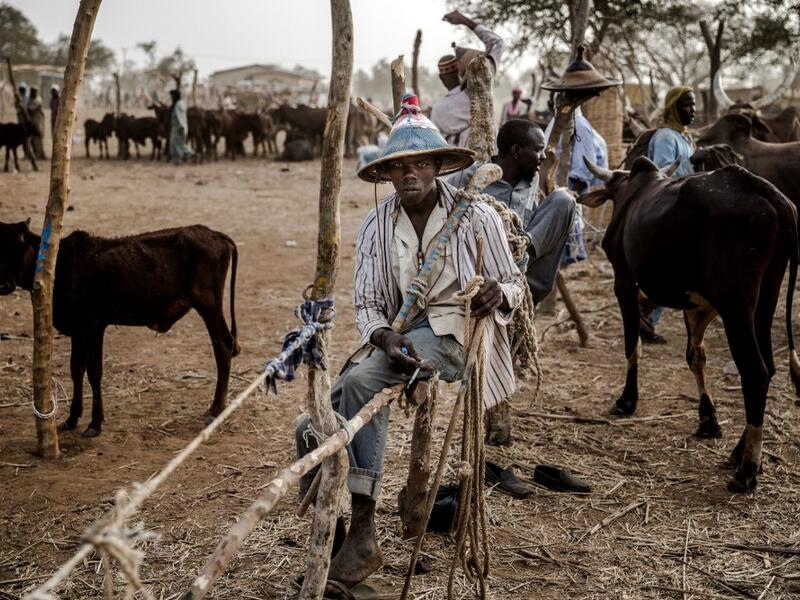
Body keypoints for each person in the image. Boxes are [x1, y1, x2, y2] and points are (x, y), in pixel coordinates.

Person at [295, 94, 525, 588]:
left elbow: (514, 284)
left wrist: (493, 291)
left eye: (421, 162)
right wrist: (383, 334)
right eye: (399, 166)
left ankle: (361, 528)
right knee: (316, 419)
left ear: (439, 165)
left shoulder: (476, 215)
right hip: (404, 332)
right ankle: (336, 532)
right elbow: (367, 304)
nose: (410, 174)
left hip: (457, 330)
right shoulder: (378, 225)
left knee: (357, 385)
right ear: (389, 174)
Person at [449, 118, 576, 305]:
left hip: (523, 277)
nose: (543, 156)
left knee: (564, 200)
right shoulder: (469, 179)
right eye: (538, 149)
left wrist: (519, 252)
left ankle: (519, 262)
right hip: (479, 275)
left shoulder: (533, 181)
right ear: (516, 151)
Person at [641, 86, 697, 343]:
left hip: (686, 208)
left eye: (693, 105)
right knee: (665, 270)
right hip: (667, 208)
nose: (692, 111)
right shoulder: (665, 137)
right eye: (686, 105)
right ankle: (643, 319)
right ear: (673, 108)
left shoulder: (685, 137)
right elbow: (663, 175)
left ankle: (647, 320)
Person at [430, 10, 504, 146]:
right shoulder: (482, 91)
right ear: (459, 72)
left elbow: (436, 147)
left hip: (460, 167)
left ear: (441, 78)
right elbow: (497, 43)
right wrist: (464, 20)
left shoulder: (438, 109)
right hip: (492, 165)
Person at [168, 89, 193, 164]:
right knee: (174, 143)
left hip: (179, 127)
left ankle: (190, 154)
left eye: (172, 96)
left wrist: (181, 127)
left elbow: (181, 117)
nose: (171, 98)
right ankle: (177, 158)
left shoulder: (179, 104)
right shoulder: (177, 104)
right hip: (174, 127)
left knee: (179, 144)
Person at [27, 87, 46, 160]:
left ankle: (40, 154)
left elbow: (30, 109)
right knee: (33, 138)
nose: (32, 93)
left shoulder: (38, 100)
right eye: (31, 91)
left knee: (38, 137)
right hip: (33, 122)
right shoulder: (30, 99)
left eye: (33, 91)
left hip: (38, 121)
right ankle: (36, 153)